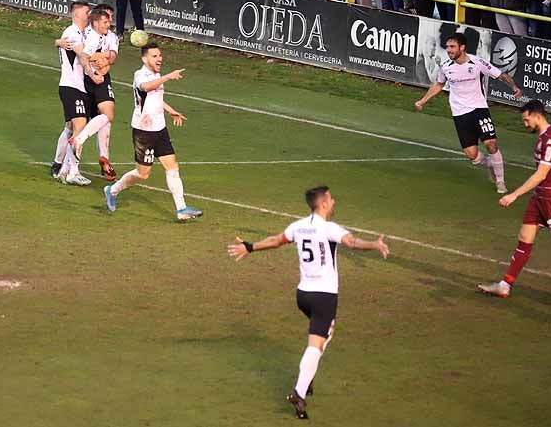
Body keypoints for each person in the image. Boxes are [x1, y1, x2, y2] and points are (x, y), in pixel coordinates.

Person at [226, 186, 390, 420]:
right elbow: (352, 243)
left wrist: (250, 247)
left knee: (326, 334)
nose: (334, 202)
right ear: (322, 203)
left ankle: (307, 377)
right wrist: (374, 244)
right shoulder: (329, 228)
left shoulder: (298, 226)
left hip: (303, 295)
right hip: (324, 297)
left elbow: (276, 240)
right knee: (315, 345)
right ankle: (299, 392)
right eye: (331, 198)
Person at [477, 99, 551, 305]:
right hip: (540, 196)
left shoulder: (550, 140)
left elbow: (541, 175)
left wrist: (513, 195)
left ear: (536, 114)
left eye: (526, 119)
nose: (525, 124)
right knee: (525, 236)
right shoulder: (550, 135)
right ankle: (505, 285)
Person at [103, 42, 203, 222]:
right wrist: (168, 77)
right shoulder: (140, 74)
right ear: (144, 58)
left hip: (160, 128)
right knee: (143, 174)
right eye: (155, 56)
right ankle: (113, 190)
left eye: (160, 55)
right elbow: (146, 88)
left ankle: (181, 209)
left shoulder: (156, 74)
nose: (159, 58)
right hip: (144, 132)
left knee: (172, 167)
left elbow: (155, 98)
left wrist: (170, 110)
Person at [414, 32, 522, 193]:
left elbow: (500, 75)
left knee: (491, 144)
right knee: (473, 156)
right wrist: (423, 100)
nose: (449, 50)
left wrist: (514, 87)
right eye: (448, 47)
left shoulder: (477, 62)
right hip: (460, 113)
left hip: (479, 109)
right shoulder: (445, 67)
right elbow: (438, 85)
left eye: (452, 47)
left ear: (462, 48)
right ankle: (490, 164)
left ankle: (500, 182)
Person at [70, 7, 119, 181]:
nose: (110, 21)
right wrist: (97, 60)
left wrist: (103, 61)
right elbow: (82, 55)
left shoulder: (111, 36)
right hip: (82, 79)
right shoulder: (86, 33)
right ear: (97, 19)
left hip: (101, 80)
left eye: (111, 18)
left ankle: (104, 158)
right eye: (106, 18)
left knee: (108, 115)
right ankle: (62, 164)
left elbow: (112, 58)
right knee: (73, 126)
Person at [51, 1, 93, 185]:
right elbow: (82, 54)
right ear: (76, 15)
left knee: (70, 127)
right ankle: (72, 172)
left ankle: (59, 166)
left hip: (79, 87)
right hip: (71, 86)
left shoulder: (86, 33)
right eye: (86, 11)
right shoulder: (71, 33)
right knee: (80, 128)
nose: (89, 14)